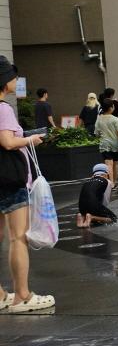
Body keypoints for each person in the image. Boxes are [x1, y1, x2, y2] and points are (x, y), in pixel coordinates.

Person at [0, 57, 52, 313]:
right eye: (12, 76)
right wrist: (31, 139)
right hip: (9, 179)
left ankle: (0, 296)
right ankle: (22, 296)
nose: (15, 81)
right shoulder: (3, 109)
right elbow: (8, 142)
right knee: (17, 237)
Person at [95, 98, 118, 189]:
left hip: (104, 144)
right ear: (111, 108)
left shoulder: (99, 119)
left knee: (108, 163)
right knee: (116, 163)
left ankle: (111, 183)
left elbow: (96, 133)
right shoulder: (115, 119)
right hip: (115, 144)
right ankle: (114, 182)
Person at [76, 164, 117, 228]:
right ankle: (92, 217)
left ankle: (82, 217)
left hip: (81, 208)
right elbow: (105, 200)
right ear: (106, 173)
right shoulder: (107, 181)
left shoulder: (87, 182)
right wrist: (102, 211)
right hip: (93, 206)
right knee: (113, 219)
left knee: (89, 211)